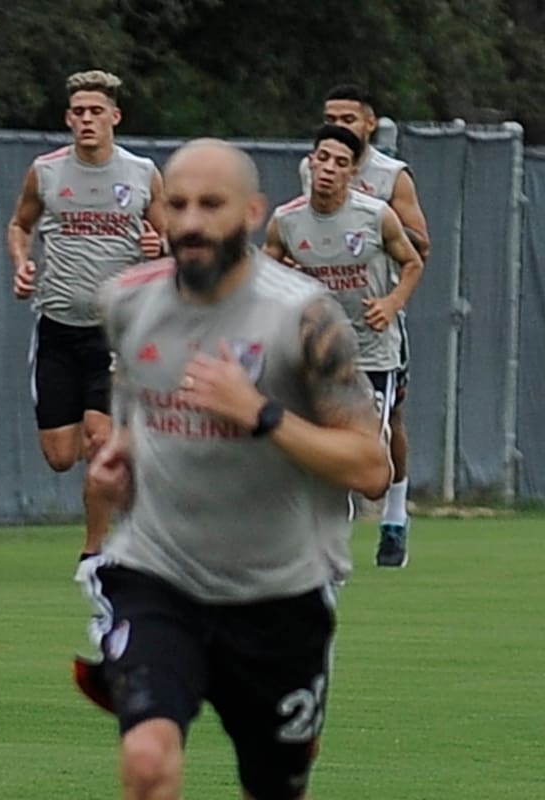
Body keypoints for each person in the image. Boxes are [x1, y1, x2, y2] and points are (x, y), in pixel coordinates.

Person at [74, 139, 391, 800]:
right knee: (148, 761)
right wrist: (122, 454)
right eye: (178, 205)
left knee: (273, 787)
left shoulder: (303, 317)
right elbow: (138, 408)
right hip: (158, 575)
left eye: (210, 205)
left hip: (278, 592)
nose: (190, 222)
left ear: (251, 213)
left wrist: (260, 413)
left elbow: (369, 467)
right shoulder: (126, 302)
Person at [7, 69, 166, 558]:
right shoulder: (47, 172)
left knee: (99, 442)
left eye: (97, 111)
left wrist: (156, 244)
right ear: (68, 119)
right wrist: (22, 263)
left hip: (115, 334)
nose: (87, 120)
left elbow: (172, 245)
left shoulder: (141, 174)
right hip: (57, 326)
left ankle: (95, 552)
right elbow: (20, 223)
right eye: (78, 112)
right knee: (60, 456)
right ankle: (133, 459)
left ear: (114, 117)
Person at [267, 124, 423, 572]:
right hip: (319, 352)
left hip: (373, 351)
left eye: (339, 163)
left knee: (369, 475)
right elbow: (261, 276)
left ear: (353, 172)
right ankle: (326, 551)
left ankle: (387, 508)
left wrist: (392, 302)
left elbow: (412, 262)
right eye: (322, 159)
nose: (328, 169)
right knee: (320, 455)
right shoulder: (287, 221)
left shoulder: (376, 217)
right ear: (310, 163)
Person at [299, 84, 431, 566]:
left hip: (378, 318)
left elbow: (421, 248)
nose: (340, 125)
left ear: (370, 124)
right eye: (331, 116)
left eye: (349, 119)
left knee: (387, 422)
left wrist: (378, 232)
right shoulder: (313, 167)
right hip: (324, 324)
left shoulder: (391, 178)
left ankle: (394, 517)